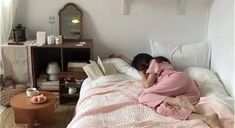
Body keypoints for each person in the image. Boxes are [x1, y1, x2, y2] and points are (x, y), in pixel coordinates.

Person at [111, 53, 221, 128]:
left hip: (176, 80)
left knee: (143, 96)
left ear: (144, 65)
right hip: (189, 88)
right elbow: (133, 63)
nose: (144, 73)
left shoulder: (154, 62)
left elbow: (146, 85)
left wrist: (141, 73)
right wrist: (120, 55)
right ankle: (207, 119)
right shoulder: (162, 62)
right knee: (162, 108)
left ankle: (176, 101)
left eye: (143, 70)